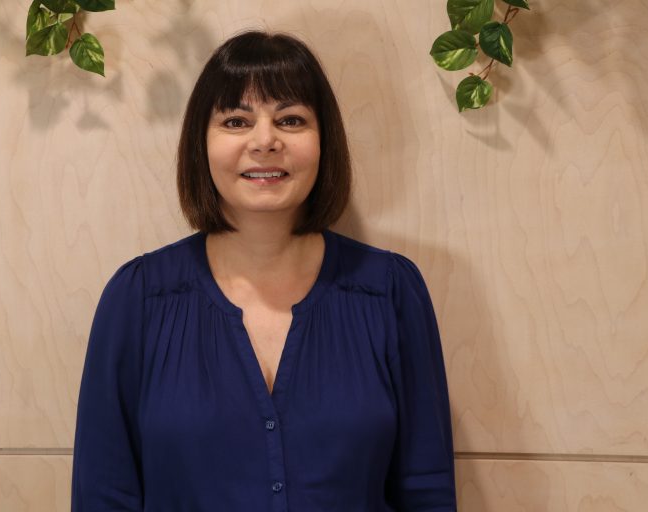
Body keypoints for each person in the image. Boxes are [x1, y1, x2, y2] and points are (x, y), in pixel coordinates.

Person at [71, 30, 456, 511]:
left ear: (324, 140)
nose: (265, 141)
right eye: (236, 121)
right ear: (200, 143)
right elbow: (103, 495)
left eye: (291, 119)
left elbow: (426, 489)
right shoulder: (138, 299)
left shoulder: (391, 292)